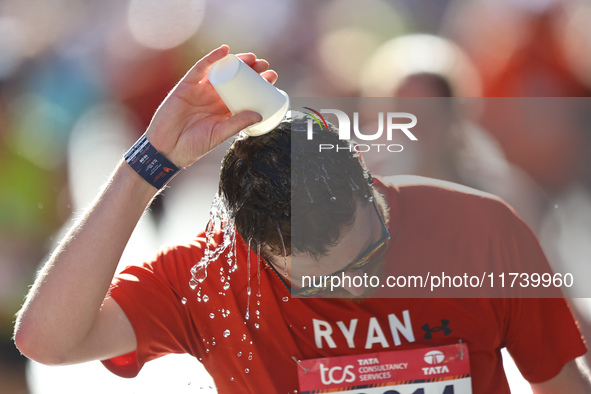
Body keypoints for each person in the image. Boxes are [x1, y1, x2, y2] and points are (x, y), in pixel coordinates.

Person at [13, 46, 591, 393]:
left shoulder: (482, 230)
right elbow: (46, 340)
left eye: (369, 256)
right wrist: (150, 161)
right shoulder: (217, 277)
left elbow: (561, 386)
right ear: (255, 247)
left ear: (367, 177)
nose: (356, 289)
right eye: (317, 282)